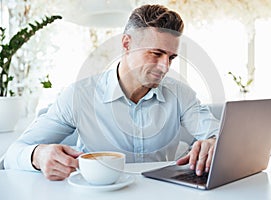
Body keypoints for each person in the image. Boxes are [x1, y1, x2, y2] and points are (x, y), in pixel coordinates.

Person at [4, 4, 219, 181]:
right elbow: (13, 154)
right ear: (127, 44)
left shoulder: (182, 94)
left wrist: (213, 142)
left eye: (171, 58)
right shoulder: (79, 96)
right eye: (156, 53)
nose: (165, 66)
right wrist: (38, 155)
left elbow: (218, 134)